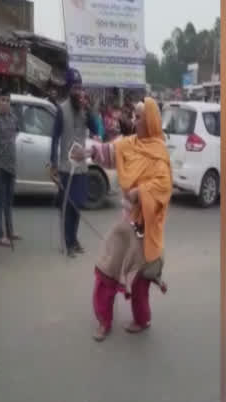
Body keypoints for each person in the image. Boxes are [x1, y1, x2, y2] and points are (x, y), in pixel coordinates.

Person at [86, 98, 172, 341]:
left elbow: (163, 186)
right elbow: (109, 151)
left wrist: (139, 192)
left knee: (140, 281)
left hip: (146, 227)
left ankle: (142, 320)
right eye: (133, 116)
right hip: (126, 223)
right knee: (106, 271)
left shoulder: (158, 151)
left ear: (150, 121)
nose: (133, 121)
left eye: (138, 117)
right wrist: (89, 152)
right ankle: (104, 320)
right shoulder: (129, 144)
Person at [48, 68, 100, 257]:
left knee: (78, 206)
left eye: (80, 87)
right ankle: (68, 243)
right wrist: (53, 163)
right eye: (75, 88)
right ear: (69, 89)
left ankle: (74, 238)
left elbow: (95, 130)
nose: (79, 92)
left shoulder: (83, 110)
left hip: (81, 168)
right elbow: (54, 138)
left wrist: (89, 109)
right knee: (67, 207)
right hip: (65, 168)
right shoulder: (61, 110)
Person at [0, 89, 20, 247]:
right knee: (0, 202)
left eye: (8, 100)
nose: (5, 103)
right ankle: (0, 235)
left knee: (9, 200)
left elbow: (17, 133)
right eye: (2, 100)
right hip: (0, 165)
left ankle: (10, 231)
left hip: (12, 164)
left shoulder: (14, 118)